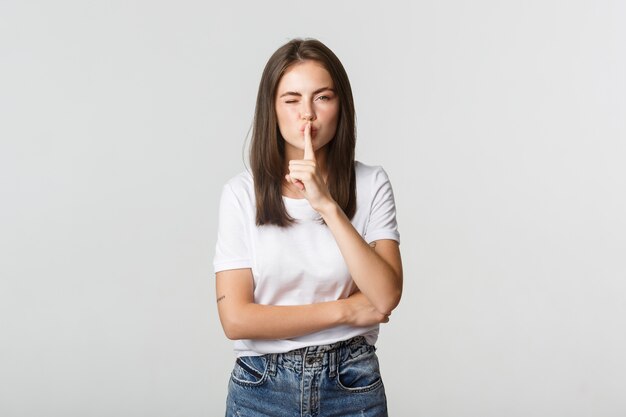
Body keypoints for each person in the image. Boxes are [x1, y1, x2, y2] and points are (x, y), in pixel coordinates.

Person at [213, 38, 403, 417]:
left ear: (340, 106)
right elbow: (235, 319)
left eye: (322, 97)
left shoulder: (371, 183)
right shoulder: (240, 194)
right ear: (272, 108)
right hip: (261, 387)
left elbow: (384, 297)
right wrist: (346, 312)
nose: (307, 115)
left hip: (352, 382)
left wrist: (326, 205)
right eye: (292, 99)